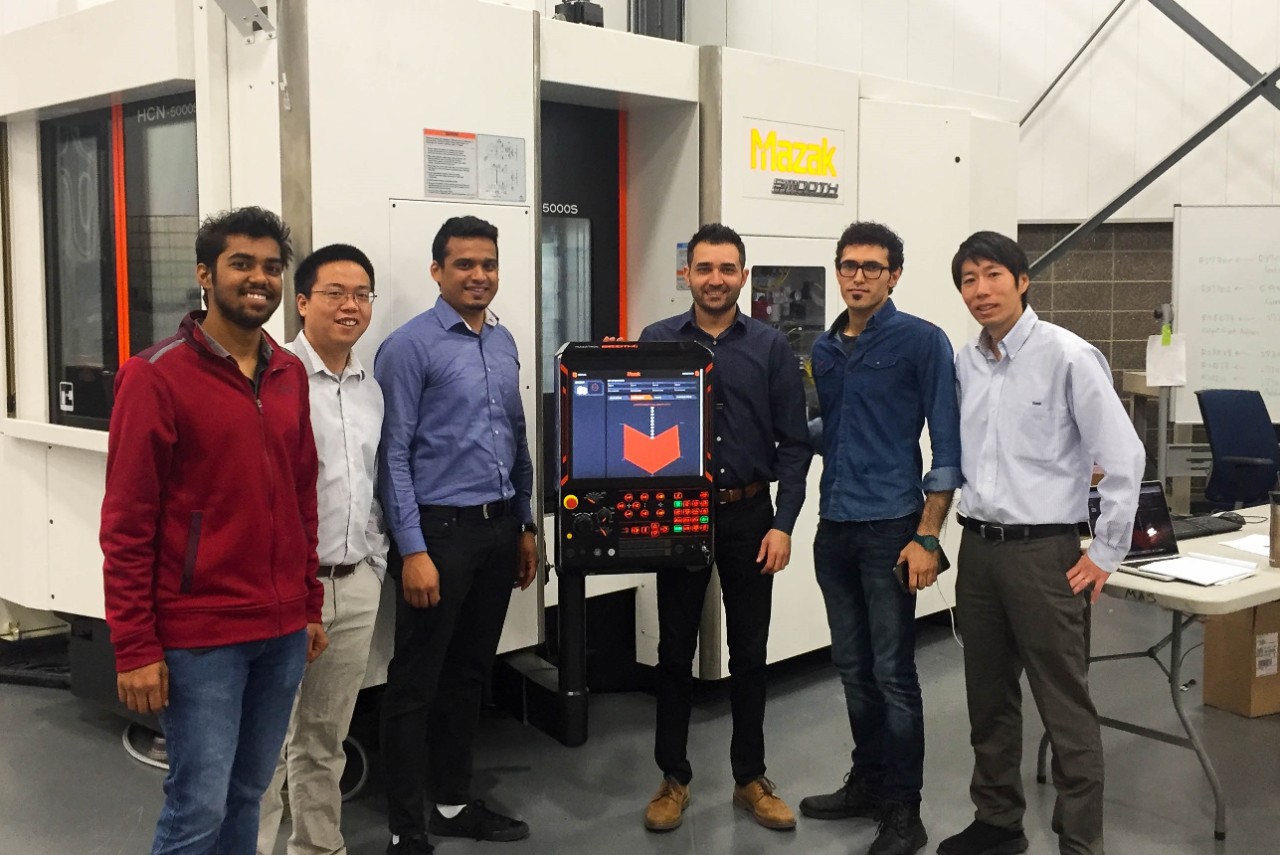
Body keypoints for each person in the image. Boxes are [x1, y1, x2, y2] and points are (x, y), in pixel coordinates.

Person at [101, 206, 327, 855]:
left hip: (281, 632)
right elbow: (126, 524)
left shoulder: (288, 374)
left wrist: (307, 604)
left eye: (270, 267)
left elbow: (301, 496)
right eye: (241, 264)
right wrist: (135, 645)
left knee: (249, 792)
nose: (258, 278)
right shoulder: (155, 376)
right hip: (200, 637)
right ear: (205, 273)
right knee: (197, 803)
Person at [937, 231, 1143, 855]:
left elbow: (1124, 457)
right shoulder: (964, 363)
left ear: (1023, 280)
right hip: (980, 551)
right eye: (968, 280)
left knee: (1064, 704)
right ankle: (998, 821)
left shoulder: (1068, 356)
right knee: (988, 697)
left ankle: (1081, 842)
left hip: (1046, 554)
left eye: (993, 275)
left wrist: (1105, 552)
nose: (981, 290)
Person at [637, 223, 812, 833]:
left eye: (726, 269)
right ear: (687, 274)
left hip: (748, 514)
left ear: (744, 275)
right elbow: (637, 424)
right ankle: (673, 777)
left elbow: (795, 444)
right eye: (703, 268)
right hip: (679, 511)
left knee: (751, 650)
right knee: (674, 649)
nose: (715, 279)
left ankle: (749, 778)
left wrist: (784, 523)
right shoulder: (657, 340)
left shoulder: (769, 348)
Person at [376, 215, 538, 855]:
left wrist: (525, 524)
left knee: (470, 672)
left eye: (489, 264)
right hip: (439, 535)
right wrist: (413, 550)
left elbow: (517, 441)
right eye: (464, 264)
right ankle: (404, 828)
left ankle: (451, 801)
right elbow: (392, 456)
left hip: (499, 530)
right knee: (415, 683)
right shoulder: (409, 347)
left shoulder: (502, 343)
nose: (479, 275)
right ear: (437, 271)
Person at [798, 221, 961, 855]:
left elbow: (946, 442)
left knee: (893, 674)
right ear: (837, 272)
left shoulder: (922, 342)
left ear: (894, 275)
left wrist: (928, 534)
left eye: (873, 266)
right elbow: (831, 431)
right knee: (852, 670)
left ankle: (904, 810)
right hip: (833, 529)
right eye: (849, 265)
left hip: (893, 527)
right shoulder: (826, 347)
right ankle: (867, 782)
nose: (859, 276)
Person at [257, 244, 388, 855]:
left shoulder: (370, 389)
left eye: (361, 294)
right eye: (334, 292)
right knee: (262, 747)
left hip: (355, 581)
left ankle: (318, 847)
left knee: (324, 739)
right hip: (284, 588)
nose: (350, 305)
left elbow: (373, 481)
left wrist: (375, 560)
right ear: (302, 301)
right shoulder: (271, 380)